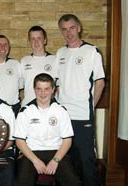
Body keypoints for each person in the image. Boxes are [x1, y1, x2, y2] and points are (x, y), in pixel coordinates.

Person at [56, 14, 105, 186]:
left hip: (83, 117)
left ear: (79, 28)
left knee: (86, 161)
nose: (68, 32)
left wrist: (91, 106)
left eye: (71, 28)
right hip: (63, 118)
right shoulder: (60, 53)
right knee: (67, 162)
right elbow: (57, 83)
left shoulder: (92, 51)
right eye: (64, 29)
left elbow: (100, 82)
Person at [14, 73, 81, 186]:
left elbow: (67, 140)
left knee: (74, 182)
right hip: (31, 153)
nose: (43, 93)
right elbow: (19, 141)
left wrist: (55, 161)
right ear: (34, 90)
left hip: (56, 151)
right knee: (22, 182)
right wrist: (35, 161)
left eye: (46, 89)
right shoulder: (25, 111)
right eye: (39, 89)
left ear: (53, 89)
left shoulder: (61, 111)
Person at [20, 26, 57, 106]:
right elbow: (20, 87)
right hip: (28, 107)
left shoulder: (54, 60)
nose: (36, 42)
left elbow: (59, 86)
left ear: (44, 40)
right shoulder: (24, 61)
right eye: (33, 39)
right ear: (29, 41)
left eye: (39, 38)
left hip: (48, 107)